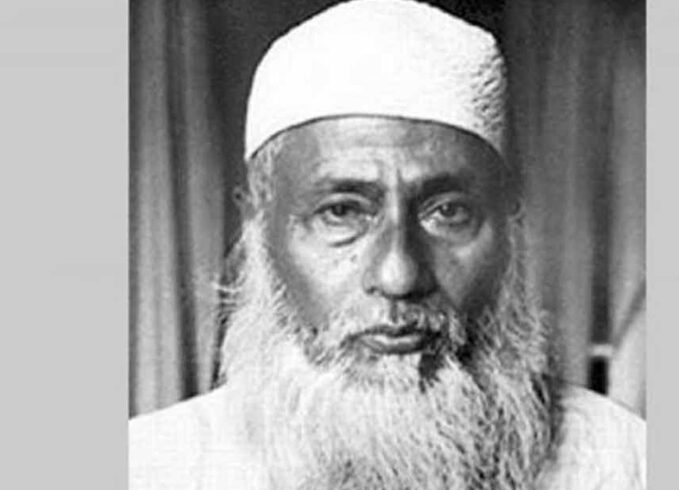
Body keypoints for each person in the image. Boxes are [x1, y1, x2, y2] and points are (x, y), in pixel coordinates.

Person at [129, 0, 646, 488]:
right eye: (341, 213)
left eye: (449, 212)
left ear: (509, 229)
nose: (399, 275)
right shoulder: (146, 468)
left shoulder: (626, 462)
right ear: (259, 230)